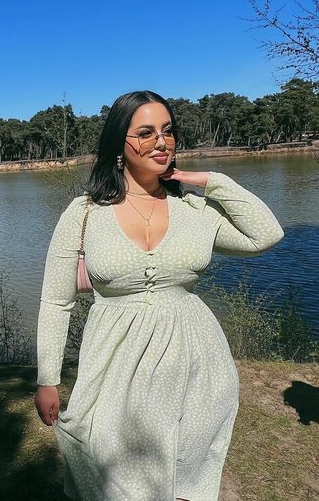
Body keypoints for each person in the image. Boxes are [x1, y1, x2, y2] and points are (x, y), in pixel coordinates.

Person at [35, 91, 284, 501]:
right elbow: (56, 301)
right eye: (146, 133)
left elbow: (266, 234)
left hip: (197, 365)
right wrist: (48, 378)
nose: (161, 142)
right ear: (119, 142)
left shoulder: (196, 210)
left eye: (167, 131)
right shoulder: (84, 214)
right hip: (115, 368)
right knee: (114, 475)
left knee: (185, 475)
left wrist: (210, 181)